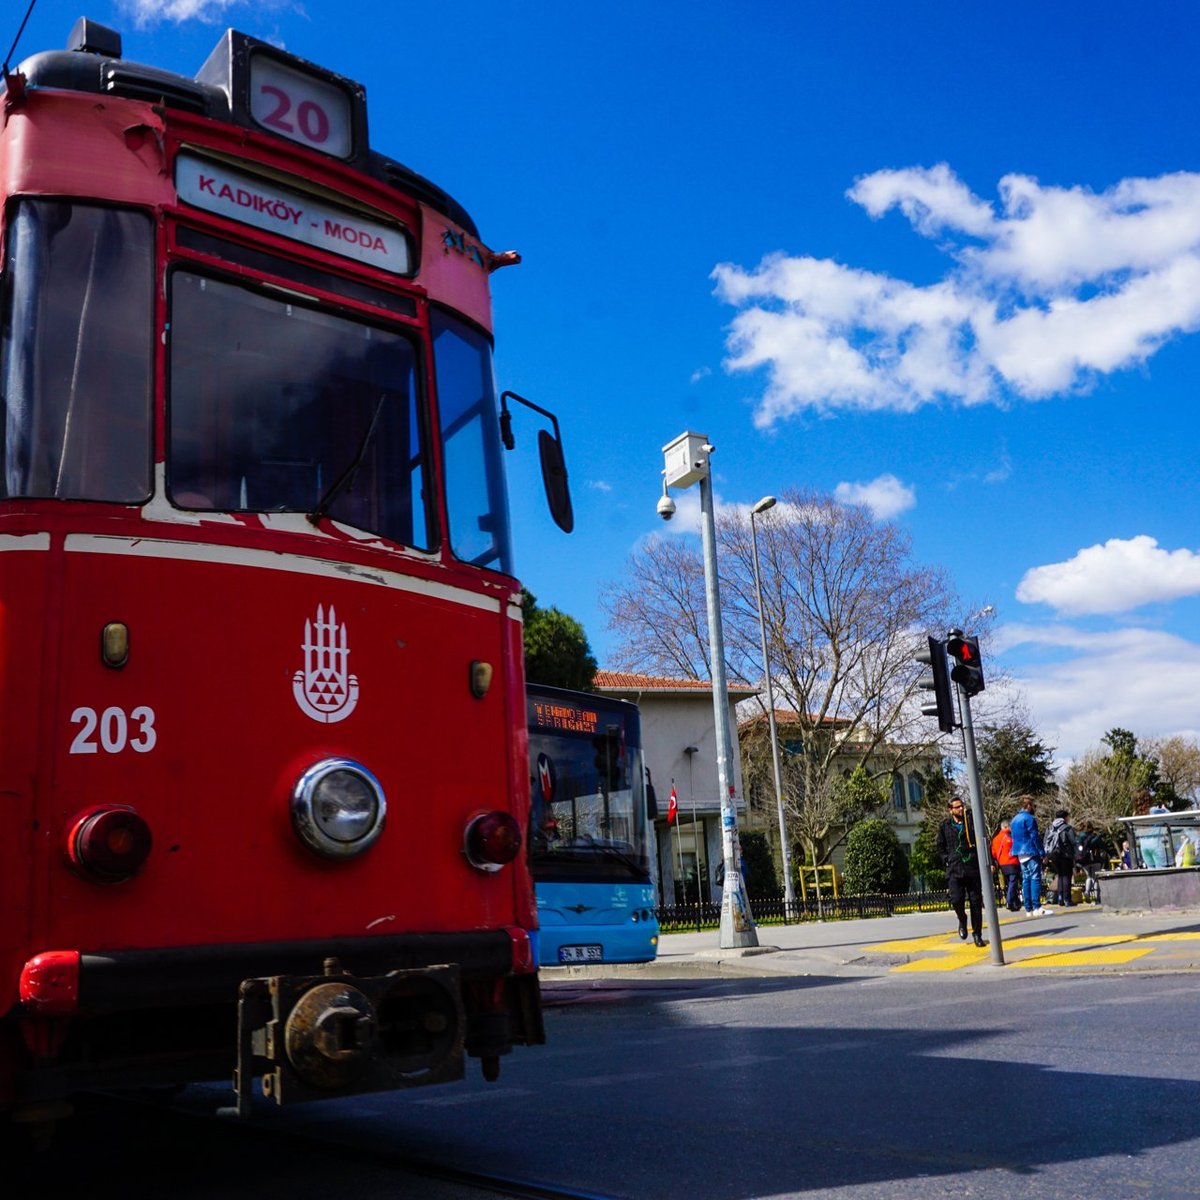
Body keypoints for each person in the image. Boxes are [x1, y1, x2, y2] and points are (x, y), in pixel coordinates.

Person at [937, 795, 985, 947]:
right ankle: (962, 919)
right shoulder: (945, 826)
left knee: (976, 902)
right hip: (954, 868)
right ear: (950, 810)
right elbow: (940, 846)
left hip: (972, 867)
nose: (961, 809)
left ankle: (977, 934)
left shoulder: (970, 822)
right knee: (956, 899)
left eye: (962, 806)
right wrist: (946, 859)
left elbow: (981, 837)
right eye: (957, 807)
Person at [1010, 794, 1052, 916]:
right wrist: (1042, 854)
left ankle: (1028, 908)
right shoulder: (1029, 819)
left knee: (1026, 879)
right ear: (1028, 805)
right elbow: (1034, 837)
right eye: (1033, 805)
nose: (1034, 807)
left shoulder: (1014, 820)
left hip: (1019, 852)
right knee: (1035, 878)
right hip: (1030, 850)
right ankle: (1037, 906)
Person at [1043, 808, 1078, 906]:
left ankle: (1060, 898)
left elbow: (1045, 841)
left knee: (1060, 876)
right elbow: (1074, 842)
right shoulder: (1067, 828)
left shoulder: (1050, 828)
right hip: (1066, 855)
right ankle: (1067, 899)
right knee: (1066, 876)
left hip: (1054, 856)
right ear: (1065, 817)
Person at [991, 819, 1021, 912]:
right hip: (1012, 862)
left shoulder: (995, 839)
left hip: (1002, 864)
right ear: (1006, 827)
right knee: (1013, 882)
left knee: (1009, 882)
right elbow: (1017, 848)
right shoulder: (1010, 837)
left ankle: (1015, 903)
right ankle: (1010, 901)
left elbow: (993, 853)